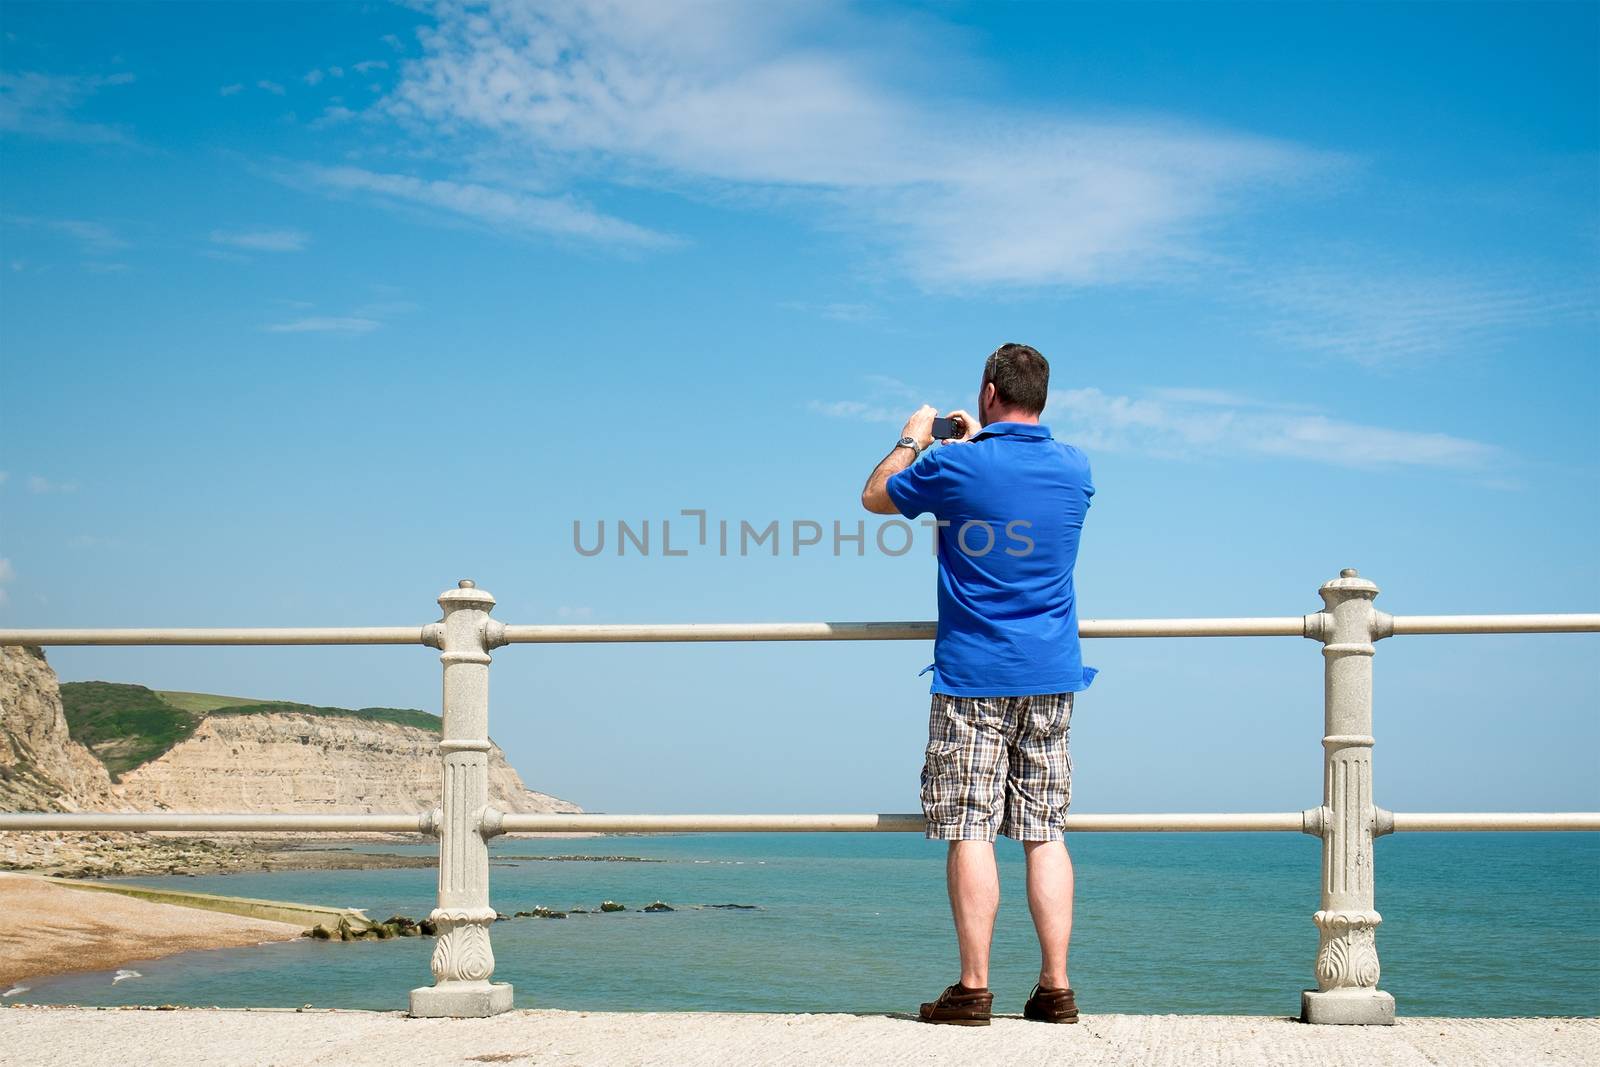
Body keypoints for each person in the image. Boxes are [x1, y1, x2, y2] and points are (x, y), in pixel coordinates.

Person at [860, 343, 1095, 1026]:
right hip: (1052, 673)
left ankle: (973, 988)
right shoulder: (1075, 466)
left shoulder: (954, 464)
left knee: (971, 826)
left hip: (972, 676)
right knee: (1044, 830)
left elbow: (876, 495)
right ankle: (1055, 987)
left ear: (989, 390)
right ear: (1040, 396)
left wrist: (917, 436)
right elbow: (1019, 493)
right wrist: (976, 440)